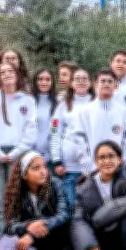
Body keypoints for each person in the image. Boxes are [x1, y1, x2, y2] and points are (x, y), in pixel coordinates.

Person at [0, 62, 38, 249]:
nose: (6, 75)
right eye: (2, 72)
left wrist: (17, 152)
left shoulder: (27, 99)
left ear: (17, 73)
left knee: (17, 198)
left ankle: (17, 239)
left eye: (9, 71)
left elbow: (31, 127)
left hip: (18, 152)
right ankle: (0, 243)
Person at [3, 151, 70, 250]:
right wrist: (27, 227)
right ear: (24, 174)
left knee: (38, 230)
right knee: (16, 235)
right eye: (36, 168)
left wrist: (32, 231)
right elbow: (9, 224)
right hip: (38, 236)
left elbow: (63, 215)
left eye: (44, 167)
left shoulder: (56, 184)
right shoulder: (17, 191)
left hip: (58, 237)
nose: (43, 171)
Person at [71, 69, 126, 174]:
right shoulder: (85, 111)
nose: (106, 84)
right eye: (103, 81)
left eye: (110, 81)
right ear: (95, 84)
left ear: (116, 85)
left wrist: (122, 161)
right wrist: (88, 164)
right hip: (93, 169)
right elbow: (79, 139)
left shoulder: (123, 112)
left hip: (118, 169)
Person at [50, 68, 94, 208]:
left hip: (92, 165)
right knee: (70, 205)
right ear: (71, 83)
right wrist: (57, 160)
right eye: (77, 79)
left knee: (90, 205)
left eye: (84, 78)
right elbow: (55, 133)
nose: (81, 81)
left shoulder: (96, 103)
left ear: (91, 83)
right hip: (68, 166)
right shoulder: (64, 105)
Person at [31, 68, 57, 161]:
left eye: (47, 79)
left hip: (52, 158)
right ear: (35, 81)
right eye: (40, 79)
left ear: (52, 82)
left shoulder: (58, 103)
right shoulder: (28, 102)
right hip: (30, 154)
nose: (44, 82)